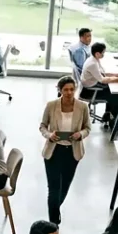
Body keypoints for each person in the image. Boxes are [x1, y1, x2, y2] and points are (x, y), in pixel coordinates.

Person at [39, 76, 90, 225]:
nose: (69, 92)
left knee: (65, 186)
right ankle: (53, 222)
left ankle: (55, 209)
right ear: (60, 90)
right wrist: (49, 135)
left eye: (72, 89)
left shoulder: (82, 107)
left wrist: (80, 134)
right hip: (54, 150)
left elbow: (87, 128)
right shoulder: (51, 105)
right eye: (66, 90)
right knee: (54, 187)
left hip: (72, 151)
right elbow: (43, 126)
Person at [81, 42, 118, 129]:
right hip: (90, 91)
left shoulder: (94, 59)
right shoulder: (92, 64)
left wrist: (115, 75)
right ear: (97, 53)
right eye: (103, 53)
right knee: (116, 99)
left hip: (93, 87)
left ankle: (108, 117)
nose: (103, 55)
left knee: (114, 94)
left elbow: (102, 73)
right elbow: (103, 80)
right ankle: (114, 124)